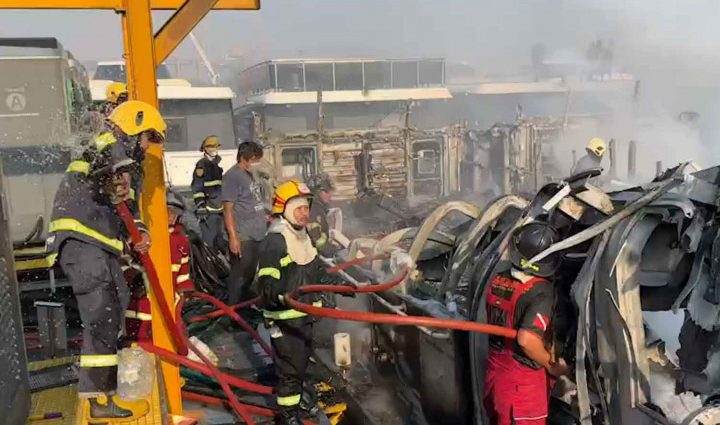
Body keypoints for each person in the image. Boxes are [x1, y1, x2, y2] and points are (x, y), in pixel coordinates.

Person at [46, 100, 165, 420]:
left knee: (115, 308)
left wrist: (137, 231)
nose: (146, 146)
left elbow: (123, 204)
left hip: (98, 245)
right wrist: (118, 183)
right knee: (101, 318)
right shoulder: (110, 146)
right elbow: (110, 182)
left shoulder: (117, 155)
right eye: (147, 137)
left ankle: (104, 394)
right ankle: (99, 401)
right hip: (83, 242)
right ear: (134, 126)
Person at [257, 180, 331, 425]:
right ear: (284, 210)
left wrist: (339, 285)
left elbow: (315, 268)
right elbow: (267, 281)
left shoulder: (303, 235)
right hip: (284, 320)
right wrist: (277, 293)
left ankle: (299, 401)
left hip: (303, 318)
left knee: (300, 365)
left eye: (306, 207)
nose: (304, 213)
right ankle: (288, 417)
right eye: (298, 208)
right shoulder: (277, 240)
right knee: (290, 371)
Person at [483, 221, 569, 425]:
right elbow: (526, 339)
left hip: (495, 376)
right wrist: (552, 365)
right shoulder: (541, 291)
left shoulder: (499, 279)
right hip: (522, 386)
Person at [125, 189, 195, 341]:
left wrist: (185, 290)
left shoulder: (181, 241)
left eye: (175, 212)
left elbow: (183, 270)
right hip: (143, 296)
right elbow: (127, 260)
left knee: (173, 332)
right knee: (139, 331)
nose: (171, 216)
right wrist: (134, 280)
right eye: (167, 211)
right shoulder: (145, 237)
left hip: (170, 298)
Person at [221, 141, 267, 304]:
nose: (257, 163)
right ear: (243, 158)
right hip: (244, 235)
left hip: (258, 233)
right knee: (240, 276)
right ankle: (234, 311)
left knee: (251, 274)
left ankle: (246, 304)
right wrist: (234, 237)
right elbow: (227, 209)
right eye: (254, 159)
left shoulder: (250, 174)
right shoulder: (232, 177)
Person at [191, 135, 225, 253]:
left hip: (219, 209)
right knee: (210, 244)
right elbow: (197, 187)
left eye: (216, 147)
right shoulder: (202, 166)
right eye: (211, 147)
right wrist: (201, 205)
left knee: (220, 241)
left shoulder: (216, 166)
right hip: (209, 211)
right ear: (205, 149)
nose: (215, 149)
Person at [306, 173, 336, 257]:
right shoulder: (313, 210)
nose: (330, 195)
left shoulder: (316, 207)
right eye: (326, 191)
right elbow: (317, 239)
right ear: (318, 192)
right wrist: (334, 252)